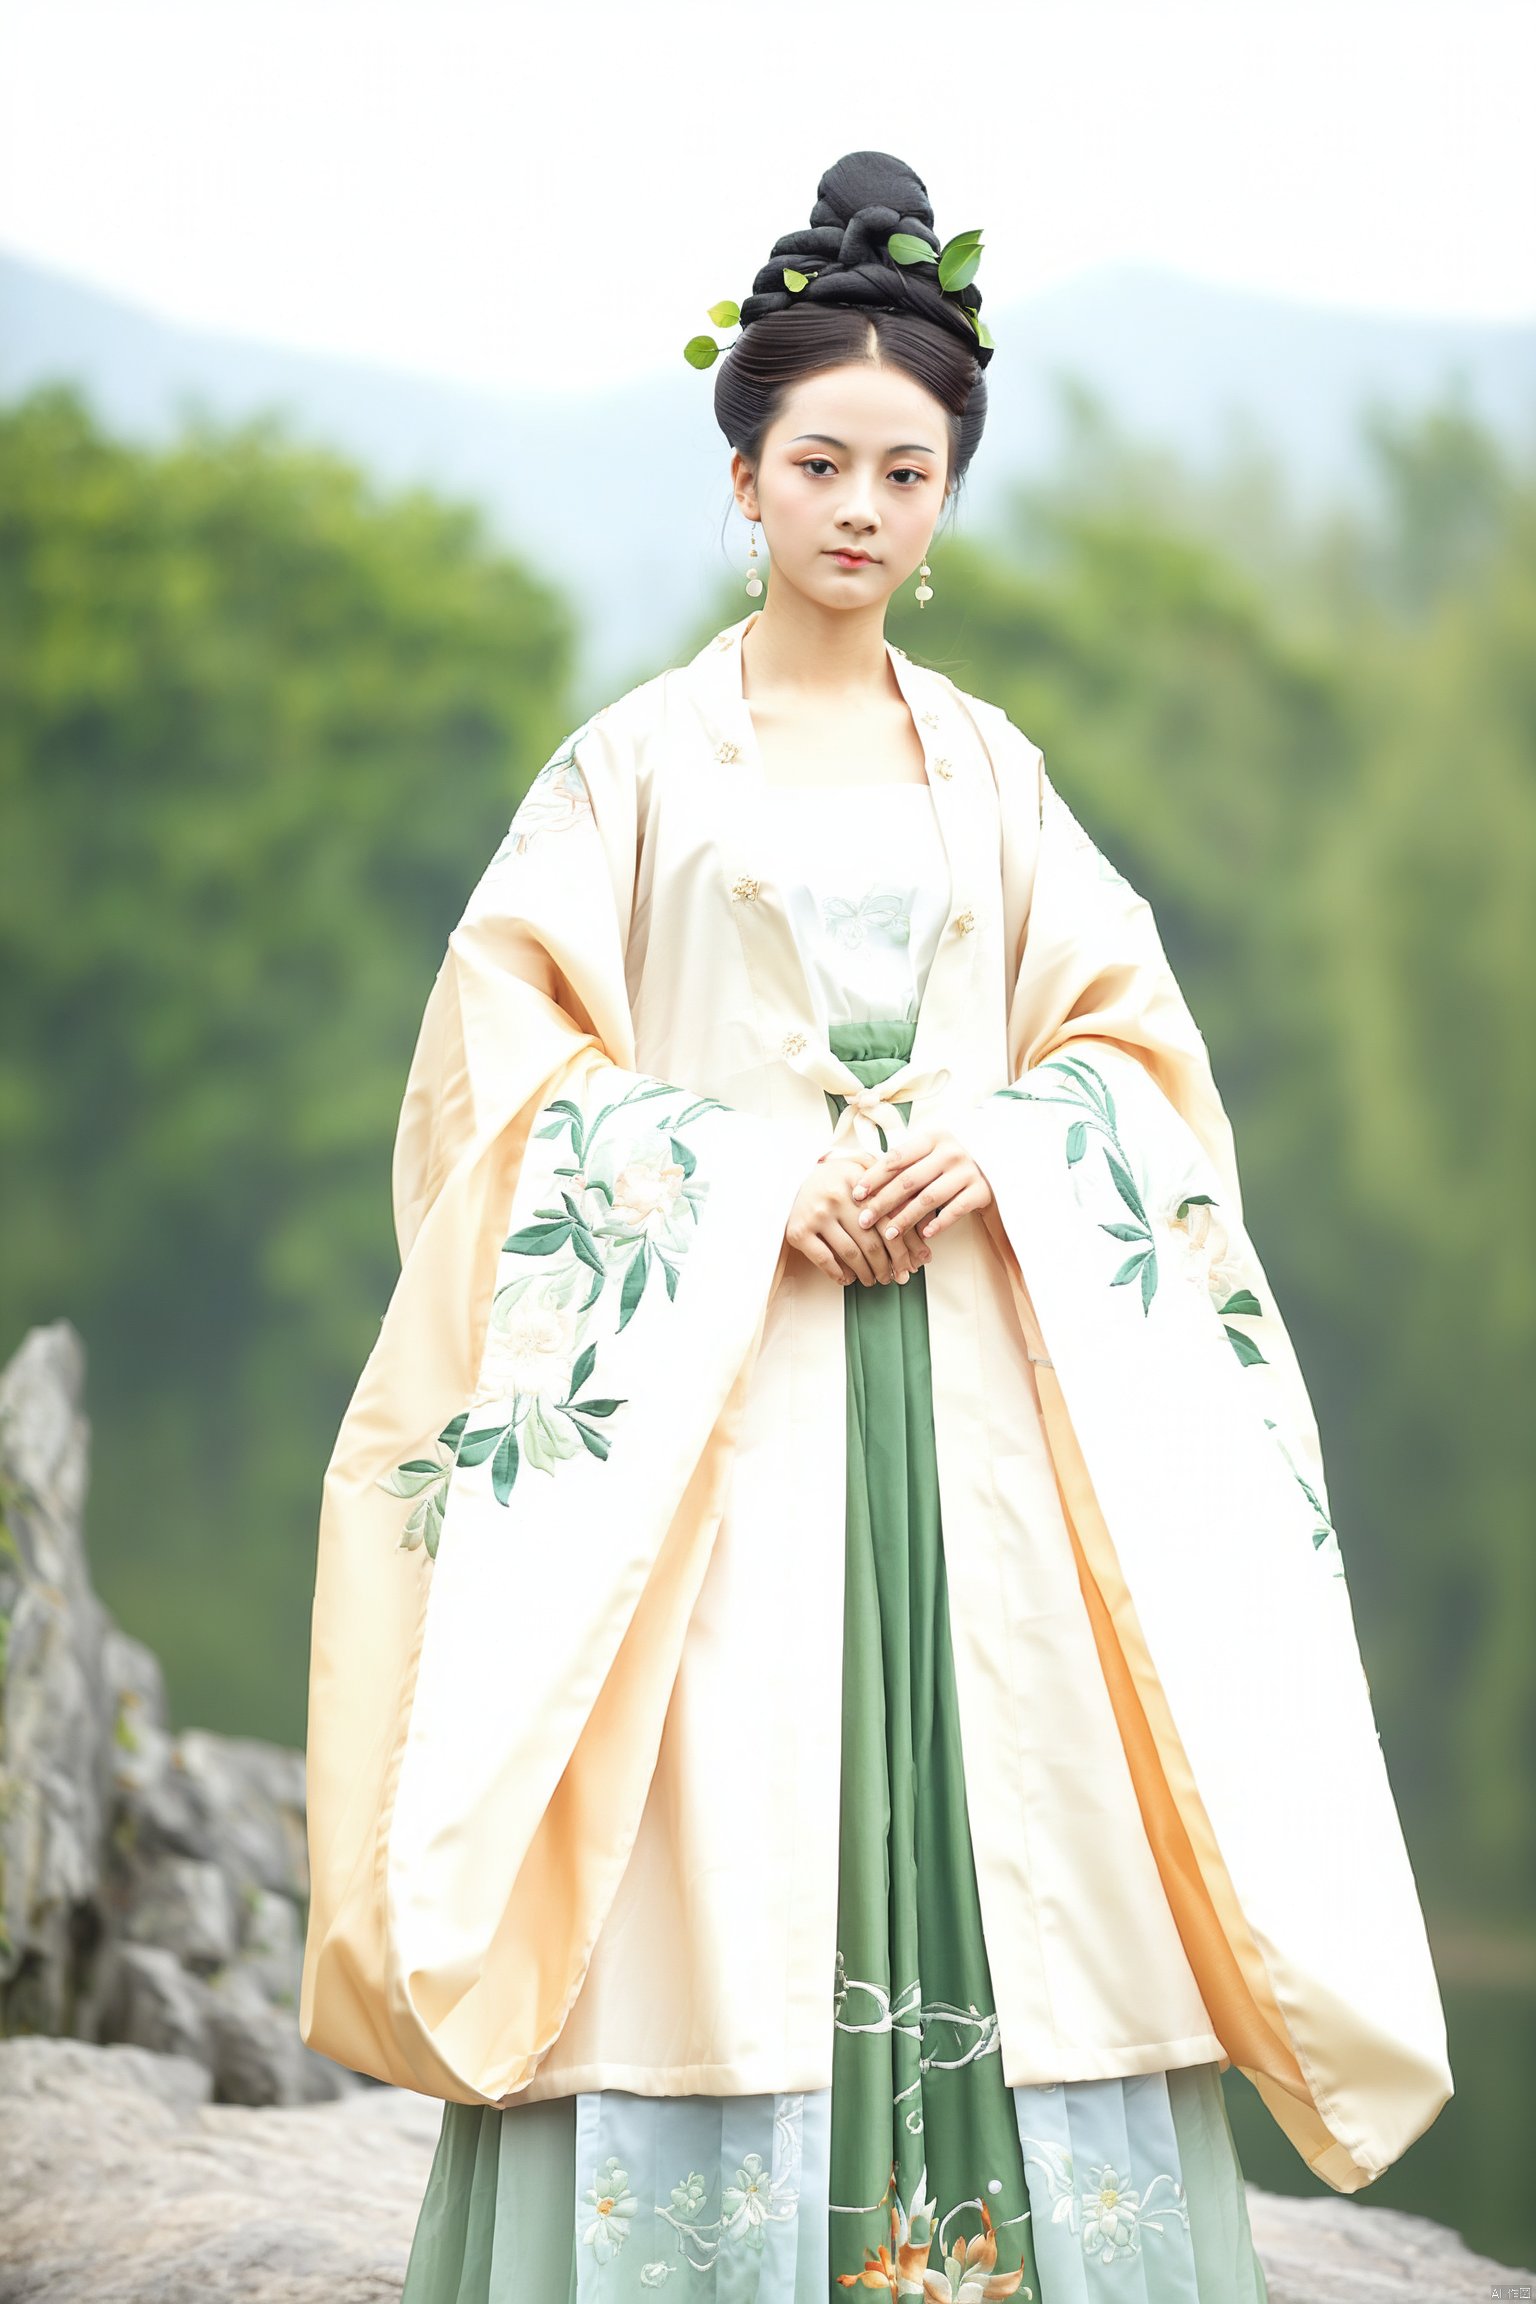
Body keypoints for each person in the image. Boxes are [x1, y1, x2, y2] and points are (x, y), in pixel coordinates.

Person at [298, 152, 1452, 2301]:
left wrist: (1009, 1144)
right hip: (722, 1403)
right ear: (742, 477)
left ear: (945, 500)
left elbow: (1133, 1054)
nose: (861, 505)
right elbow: (495, 1076)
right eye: (820, 460)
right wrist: (742, 1179)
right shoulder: (629, 775)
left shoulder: (992, 778)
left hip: (977, 1402)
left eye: (906, 472)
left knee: (1012, 1799)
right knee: (713, 1816)